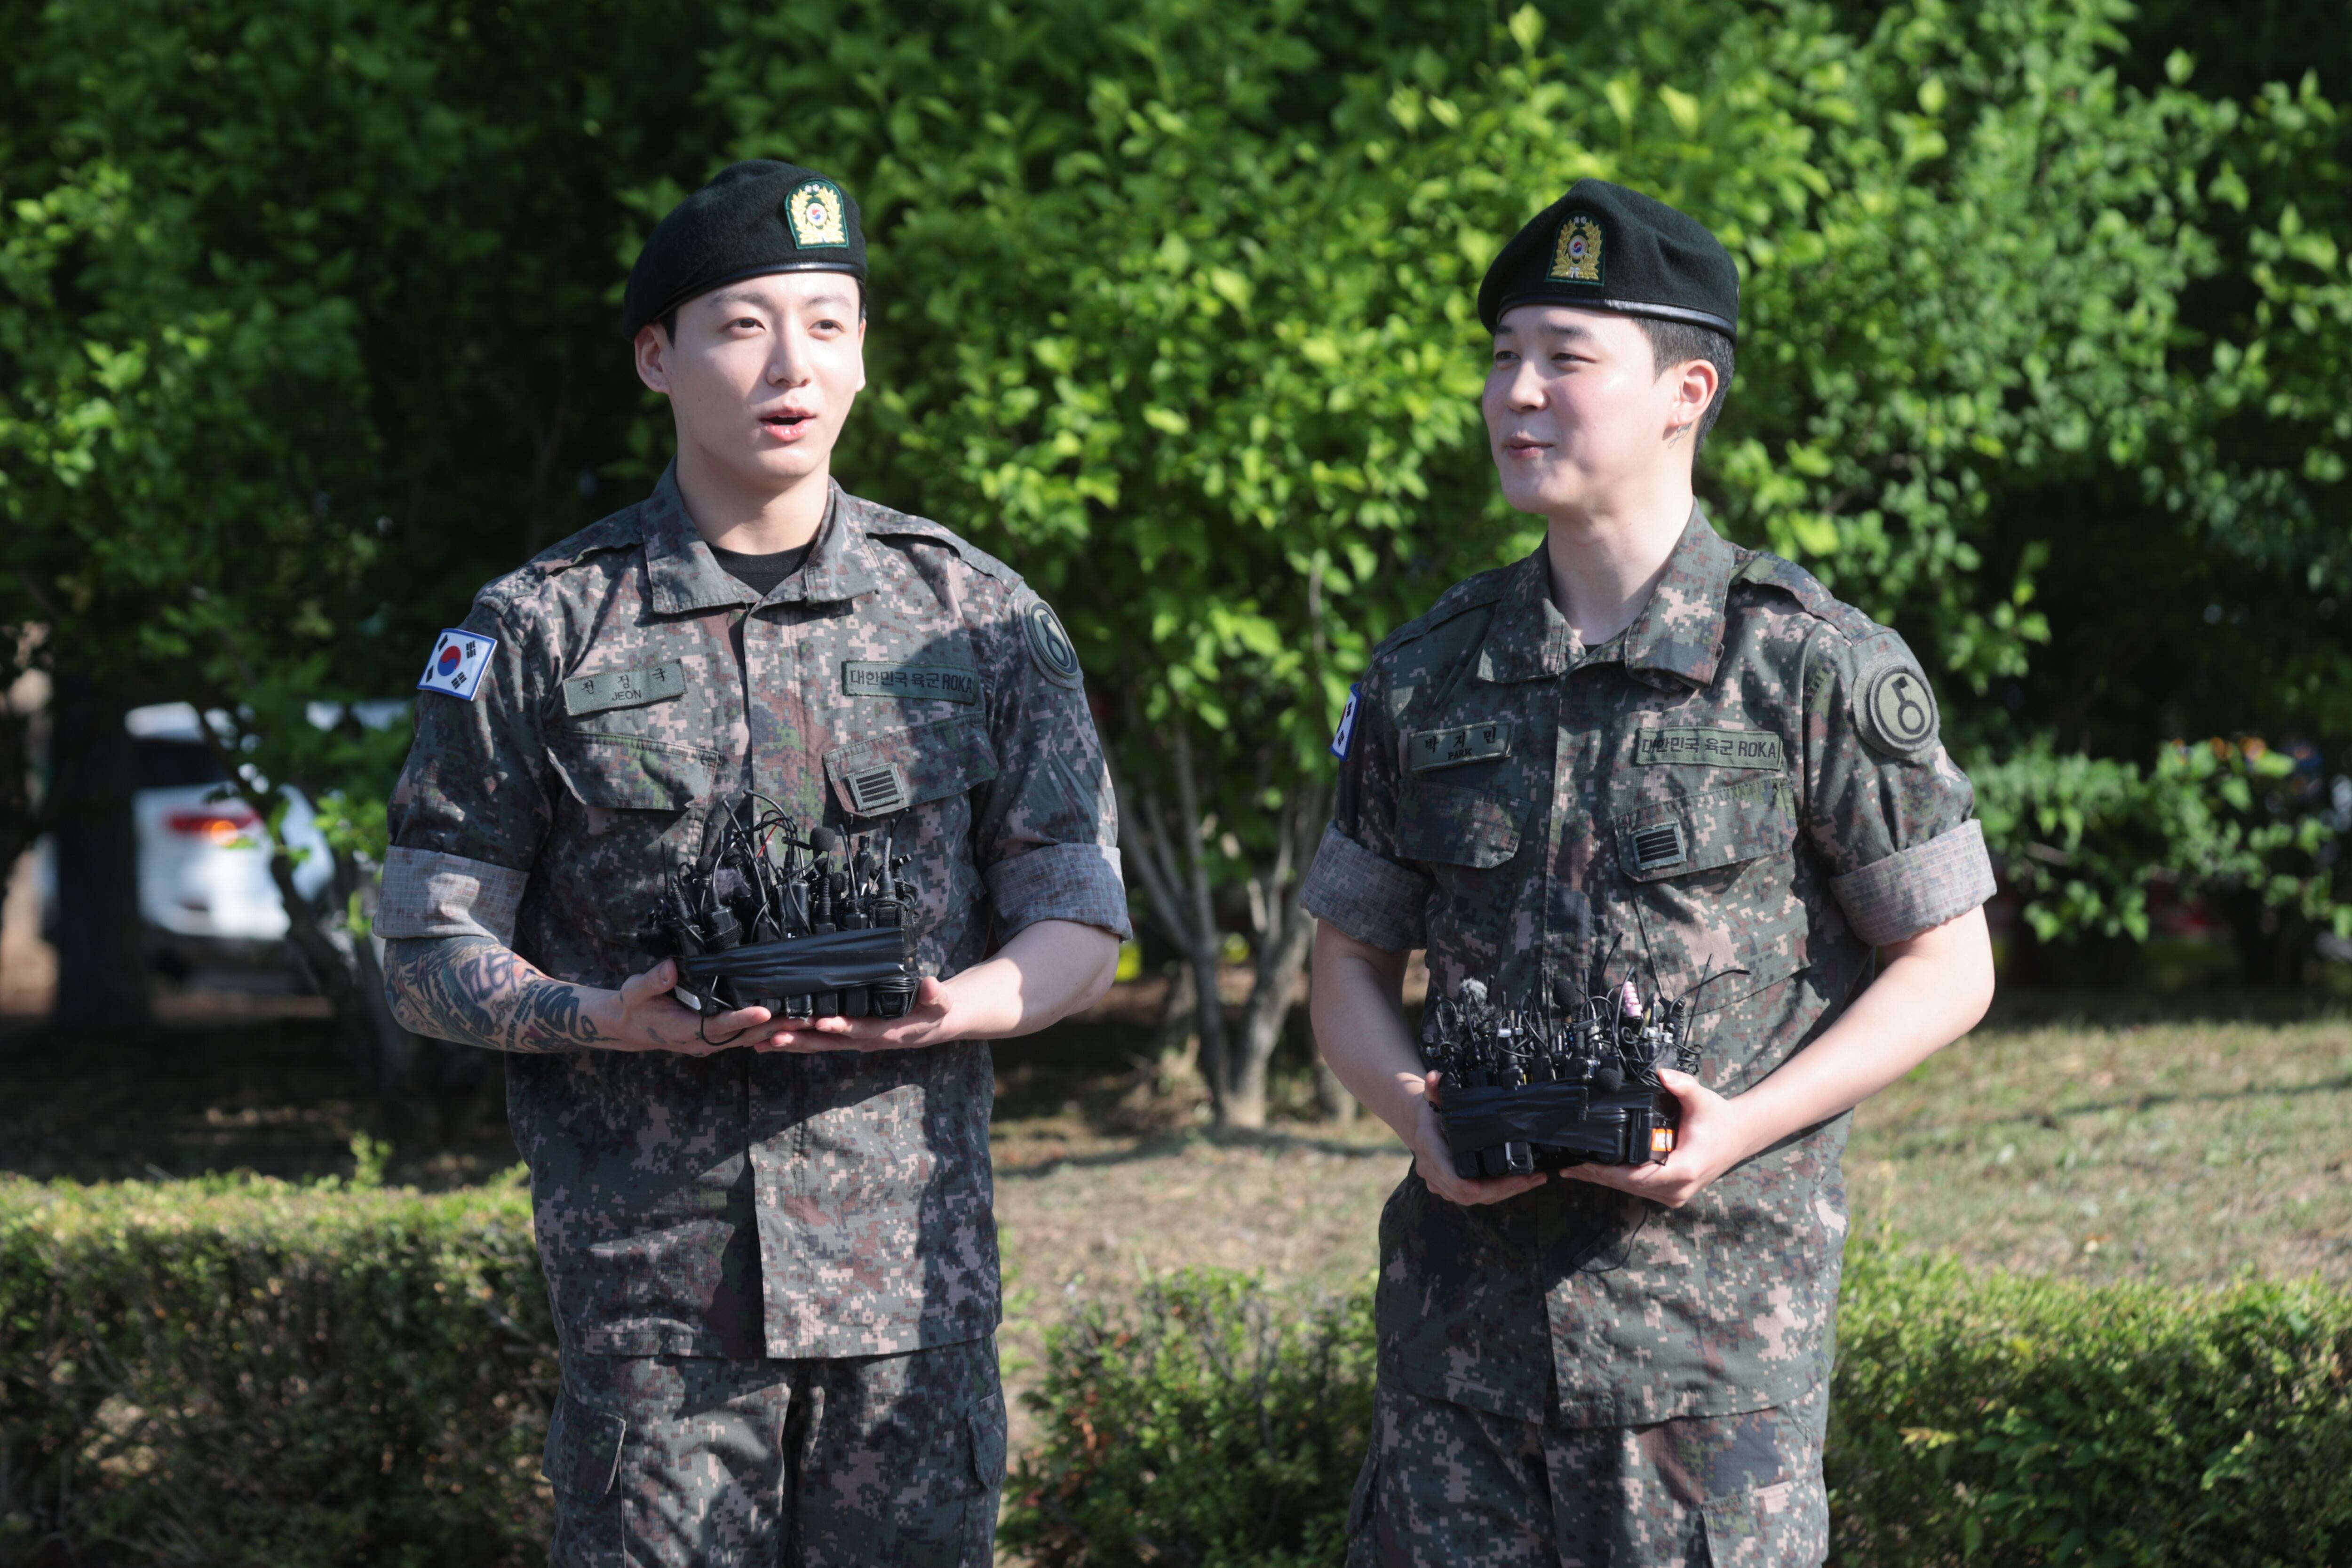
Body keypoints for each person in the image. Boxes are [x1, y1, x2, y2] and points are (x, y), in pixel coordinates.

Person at [376, 160, 1130, 1568]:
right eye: (742, 325)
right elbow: (427, 947)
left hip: (911, 1300)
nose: (794, 364)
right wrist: (598, 1018)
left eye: (830, 321)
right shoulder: (544, 631)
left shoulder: (977, 620)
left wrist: (954, 1004)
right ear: (656, 357)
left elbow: (1077, 912)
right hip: (657, 1314)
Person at [1303, 179, 1997, 1567]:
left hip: (1707, 1370)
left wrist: (1737, 1128)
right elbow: (1348, 970)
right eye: (1504, 357)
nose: (1518, 393)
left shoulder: (1809, 668)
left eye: (1566, 357)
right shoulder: (1428, 676)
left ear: (1687, 390)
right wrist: (1414, 1116)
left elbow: (1948, 965)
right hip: (1461, 1368)